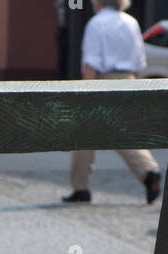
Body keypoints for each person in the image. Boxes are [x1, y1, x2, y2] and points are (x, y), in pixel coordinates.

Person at [64, 0, 161, 206]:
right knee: (122, 133)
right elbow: (138, 63)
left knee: (83, 133)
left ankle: (80, 187)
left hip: (103, 81)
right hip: (128, 80)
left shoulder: (96, 24)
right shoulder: (131, 22)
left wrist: (84, 93)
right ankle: (148, 171)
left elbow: (91, 64)